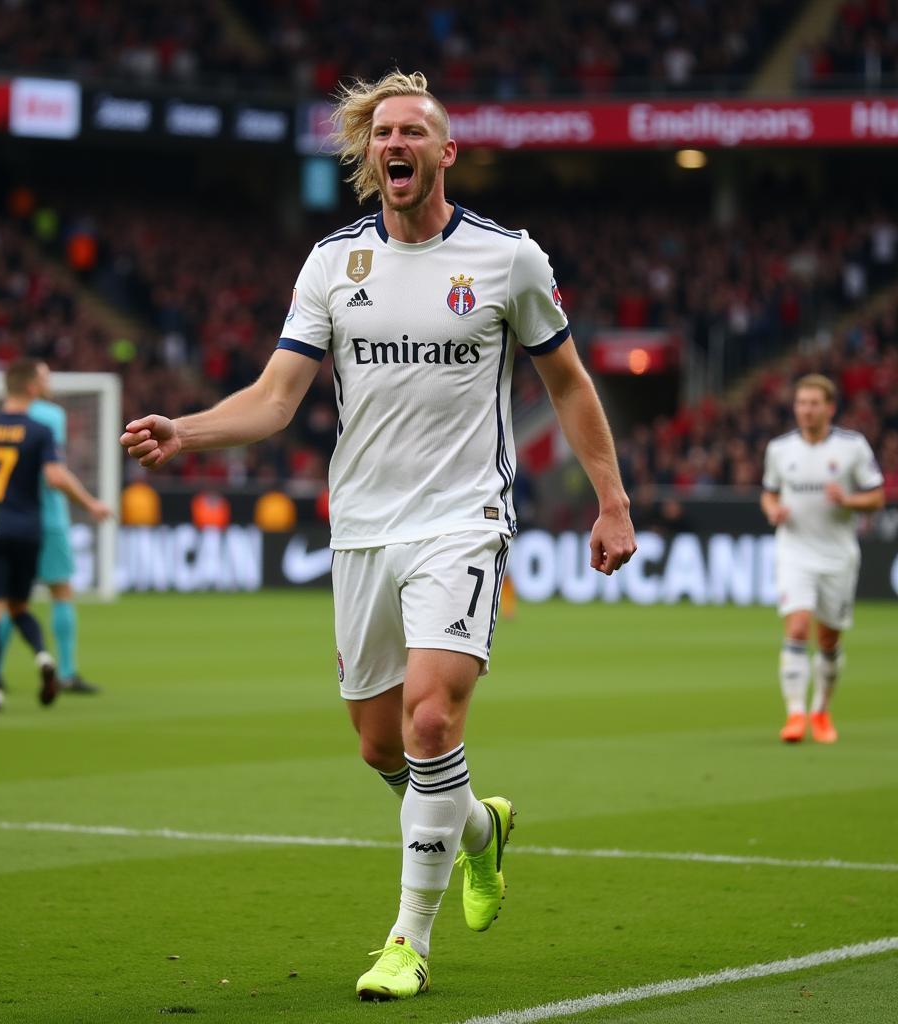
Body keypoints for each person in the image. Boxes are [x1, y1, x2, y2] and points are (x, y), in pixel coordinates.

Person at [120, 70, 635, 1001]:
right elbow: (277, 399)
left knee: (432, 717)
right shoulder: (331, 264)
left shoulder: (506, 257)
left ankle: (407, 939)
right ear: (369, 155)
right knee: (380, 747)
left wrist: (612, 500)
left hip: (463, 519)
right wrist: (186, 428)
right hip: (362, 527)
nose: (394, 144)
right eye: (381, 133)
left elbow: (568, 384)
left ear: (444, 152)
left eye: (413, 132)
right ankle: (480, 829)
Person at [0, 358, 111, 713]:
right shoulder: (50, 419)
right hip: (42, 519)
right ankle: (66, 670)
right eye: (44, 375)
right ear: (32, 385)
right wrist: (90, 503)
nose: (49, 380)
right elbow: (54, 474)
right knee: (58, 590)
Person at [761, 374, 884, 744]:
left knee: (828, 638)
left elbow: (877, 496)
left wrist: (848, 500)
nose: (807, 410)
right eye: (801, 403)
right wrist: (773, 511)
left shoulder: (852, 447)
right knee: (797, 627)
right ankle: (795, 714)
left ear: (830, 408)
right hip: (794, 550)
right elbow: (768, 493)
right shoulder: (780, 449)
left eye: (814, 403)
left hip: (837, 554)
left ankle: (822, 711)